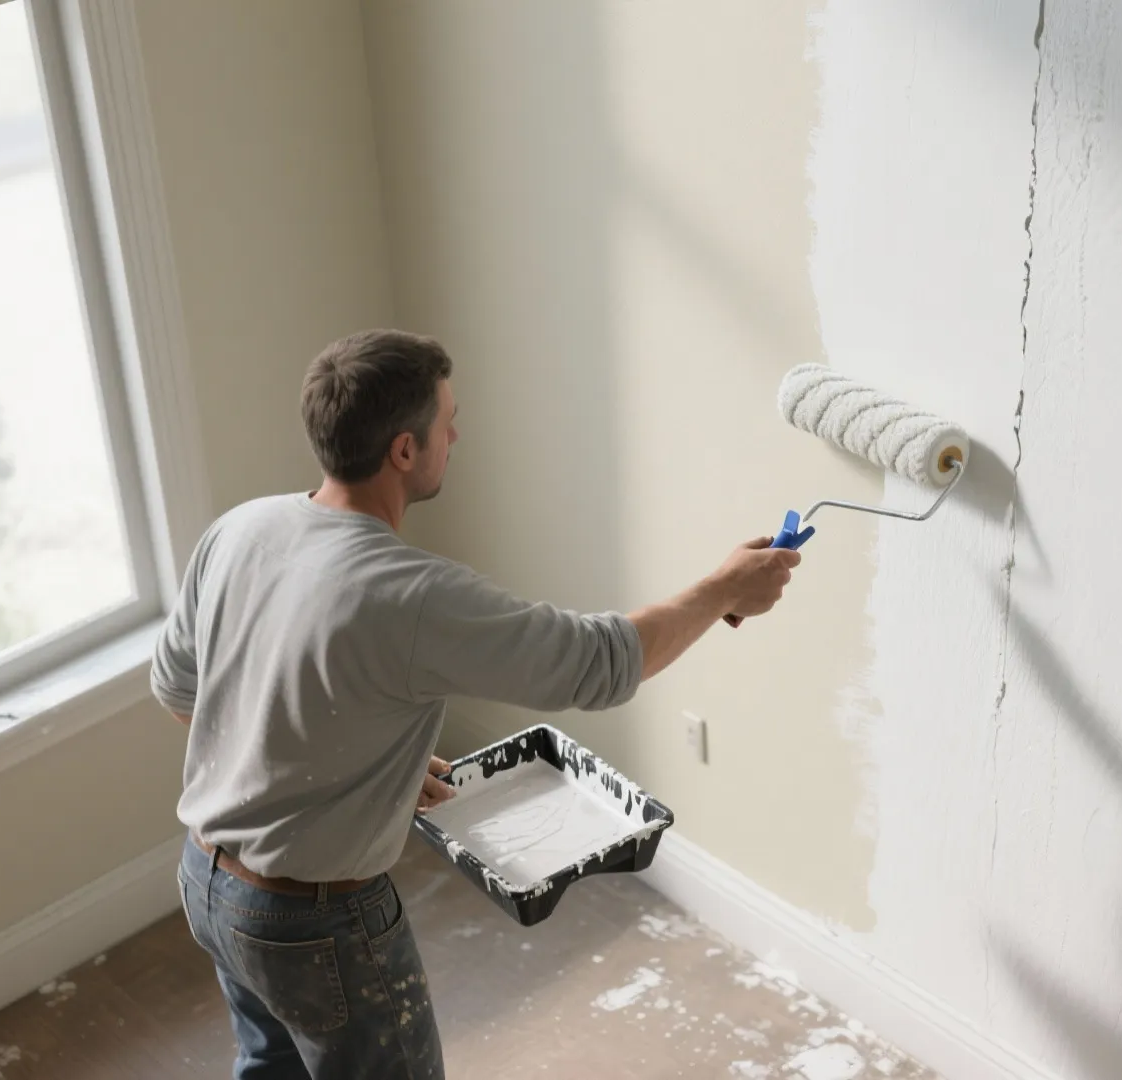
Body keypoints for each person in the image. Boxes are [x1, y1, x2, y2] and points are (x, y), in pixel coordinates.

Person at [151, 329, 800, 1079]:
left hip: (206, 881)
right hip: (314, 924)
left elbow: (183, 696)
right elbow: (599, 663)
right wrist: (724, 589)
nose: (455, 434)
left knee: (270, 1069)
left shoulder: (242, 529)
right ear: (403, 450)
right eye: (446, 420)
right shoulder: (411, 595)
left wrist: (364, 766)